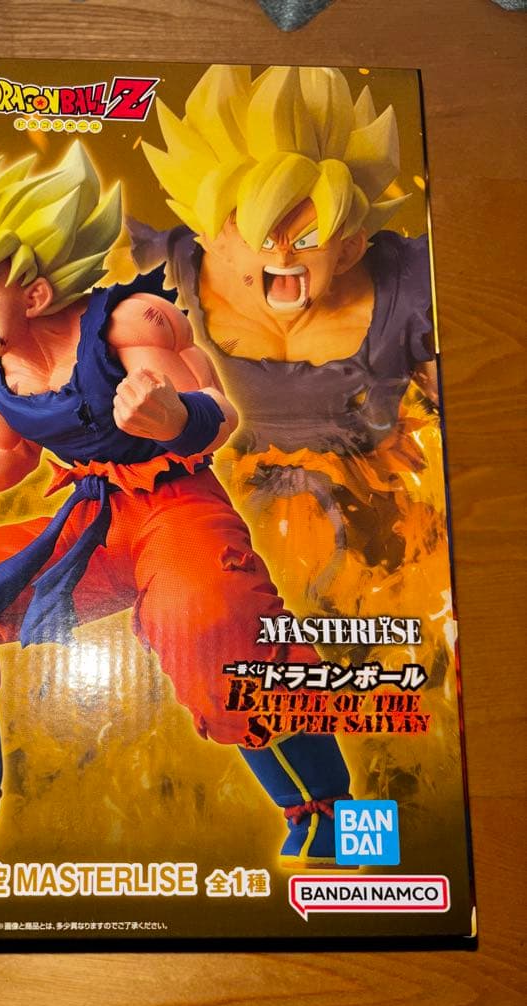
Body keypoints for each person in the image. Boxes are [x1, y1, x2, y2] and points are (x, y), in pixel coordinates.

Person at [0, 142, 351, 865]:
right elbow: (5, 457)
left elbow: (217, 410)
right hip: (92, 520)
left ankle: (326, 810)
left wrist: (173, 416)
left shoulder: (130, 324)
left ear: (34, 293)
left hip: (176, 505)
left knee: (210, 619)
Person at [137, 65, 443, 618]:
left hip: (379, 540)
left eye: (307, 236)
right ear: (216, 240)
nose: (282, 255)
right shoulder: (156, 272)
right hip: (212, 534)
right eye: (261, 235)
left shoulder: (413, 282)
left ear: (350, 247)